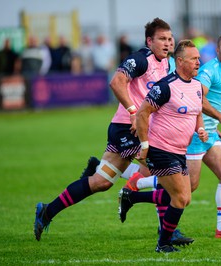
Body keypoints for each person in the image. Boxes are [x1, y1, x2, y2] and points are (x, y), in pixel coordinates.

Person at [33, 17, 174, 242]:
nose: (168, 43)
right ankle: (168, 232)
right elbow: (116, 81)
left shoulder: (165, 63)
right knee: (170, 173)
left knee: (102, 182)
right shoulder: (142, 59)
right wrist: (133, 112)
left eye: (170, 38)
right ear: (149, 41)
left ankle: (46, 211)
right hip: (127, 129)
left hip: (138, 129)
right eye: (162, 39)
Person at [123, 33, 221, 238]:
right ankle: (136, 185)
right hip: (195, 135)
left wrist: (213, 125)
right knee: (187, 187)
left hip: (208, 134)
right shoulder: (209, 71)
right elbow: (198, 99)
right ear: (217, 50)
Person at [118, 39, 208, 253]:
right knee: (181, 198)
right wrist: (145, 144)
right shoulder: (165, 85)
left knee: (179, 196)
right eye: (194, 59)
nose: (198, 62)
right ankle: (164, 243)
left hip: (179, 151)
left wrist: (200, 129)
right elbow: (142, 113)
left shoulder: (196, 86)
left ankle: (131, 196)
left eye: (198, 58)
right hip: (160, 148)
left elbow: (197, 113)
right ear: (180, 61)